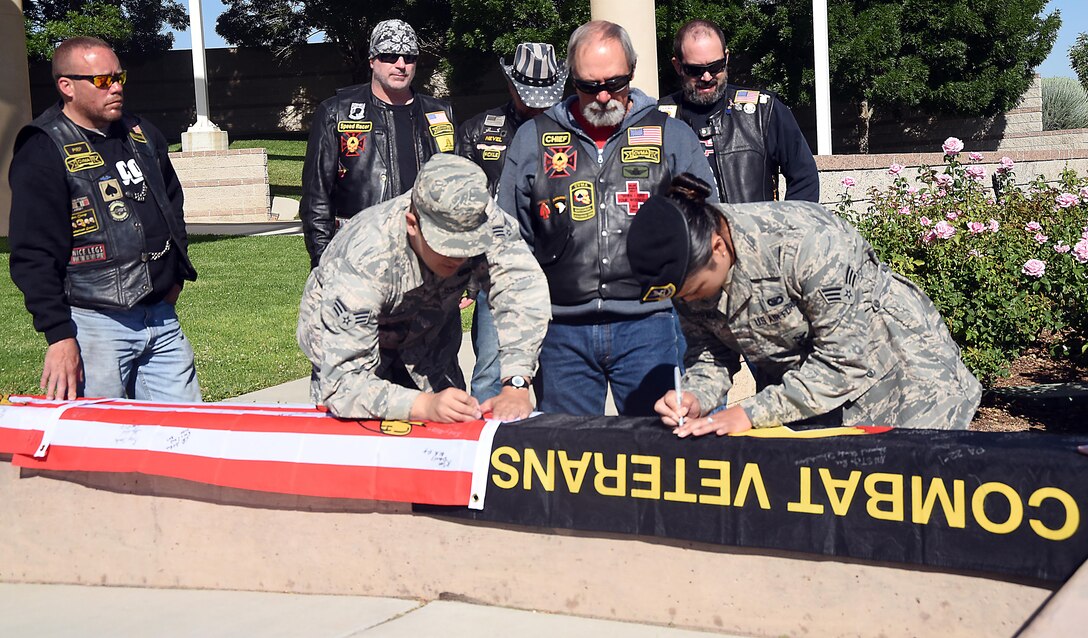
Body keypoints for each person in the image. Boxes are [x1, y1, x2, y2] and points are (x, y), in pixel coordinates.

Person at [627, 174, 982, 435]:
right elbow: (710, 351)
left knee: (915, 510)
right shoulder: (688, 270)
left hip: (903, 381)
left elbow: (844, 360)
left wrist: (750, 413)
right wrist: (694, 395)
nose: (689, 302)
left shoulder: (808, 243)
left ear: (719, 247)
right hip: (807, 393)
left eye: (694, 291)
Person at [499, 20, 717, 417]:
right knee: (566, 460)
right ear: (571, 79)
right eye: (588, 85)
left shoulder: (672, 137)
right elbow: (509, 243)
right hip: (561, 331)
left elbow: (707, 230)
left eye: (614, 83)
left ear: (632, 73)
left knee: (659, 454)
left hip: (650, 326)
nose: (602, 95)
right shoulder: (533, 138)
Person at [8, 37, 200, 403]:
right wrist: (59, 335)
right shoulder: (43, 149)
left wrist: (175, 277)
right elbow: (32, 252)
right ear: (67, 86)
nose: (116, 87)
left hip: (161, 317)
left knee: (182, 438)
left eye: (119, 77)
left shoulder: (142, 134)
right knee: (99, 444)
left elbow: (172, 205)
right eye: (102, 80)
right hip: (94, 324)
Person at [297, 154, 551, 422]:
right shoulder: (365, 256)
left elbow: (521, 291)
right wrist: (422, 406)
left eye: (469, 245)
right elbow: (342, 386)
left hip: (429, 346)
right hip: (355, 355)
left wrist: (516, 384)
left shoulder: (477, 215)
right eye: (447, 245)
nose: (460, 256)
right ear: (412, 224)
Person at [456, 42, 568, 403]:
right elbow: (459, 211)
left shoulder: (574, 134)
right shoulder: (476, 132)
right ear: (510, 86)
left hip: (560, 271)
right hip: (496, 270)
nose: (537, 105)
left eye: (545, 97)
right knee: (491, 370)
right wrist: (467, 276)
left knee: (560, 371)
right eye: (528, 96)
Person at [300, 19, 456, 268]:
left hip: (426, 261)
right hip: (360, 259)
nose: (401, 65)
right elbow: (316, 198)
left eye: (409, 57)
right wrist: (322, 263)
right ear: (372, 60)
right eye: (390, 56)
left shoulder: (439, 114)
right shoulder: (336, 112)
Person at [658, 20, 819, 204]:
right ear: (678, 66)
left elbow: (805, 178)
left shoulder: (764, 110)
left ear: (726, 58)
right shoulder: (659, 120)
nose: (707, 77)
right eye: (695, 70)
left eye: (715, 67)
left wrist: (787, 227)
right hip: (687, 231)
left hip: (752, 231)